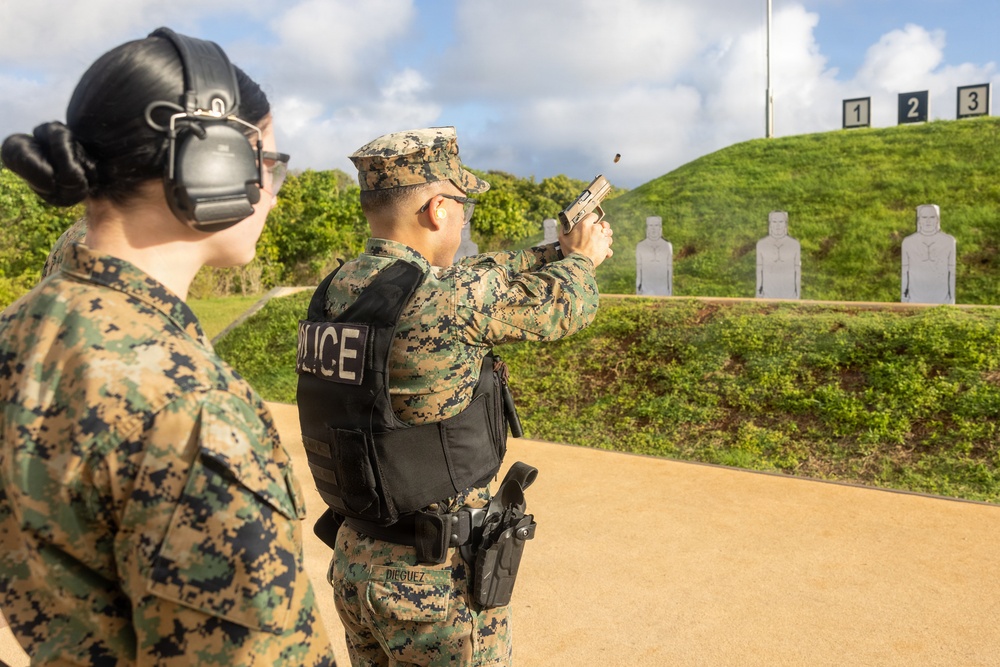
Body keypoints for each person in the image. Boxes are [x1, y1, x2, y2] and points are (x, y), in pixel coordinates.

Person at [0, 28, 336, 666]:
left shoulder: (23, 330)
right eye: (266, 161)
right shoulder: (187, 407)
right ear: (213, 159)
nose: (273, 188)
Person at [295, 126, 613, 666]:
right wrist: (580, 260)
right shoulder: (448, 299)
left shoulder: (340, 288)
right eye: (461, 205)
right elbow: (567, 306)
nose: (464, 219)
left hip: (355, 560)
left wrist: (551, 250)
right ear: (437, 209)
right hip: (433, 584)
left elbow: (474, 275)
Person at [901, 204, 956, 304]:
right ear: (919, 220)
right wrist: (904, 298)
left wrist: (951, 299)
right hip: (914, 299)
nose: (928, 221)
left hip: (942, 300)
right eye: (924, 217)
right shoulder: (908, 242)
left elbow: (951, 273)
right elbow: (905, 272)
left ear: (937, 220)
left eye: (932, 217)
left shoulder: (948, 241)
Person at [756, 210, 801, 299]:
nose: (777, 225)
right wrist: (758, 292)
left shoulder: (794, 244)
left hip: (789, 293)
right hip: (768, 293)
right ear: (770, 224)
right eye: (774, 221)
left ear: (785, 224)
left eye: (781, 222)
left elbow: (797, 271)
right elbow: (759, 270)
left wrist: (797, 293)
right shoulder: (761, 244)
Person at [635, 215, 673, 296]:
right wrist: (638, 288)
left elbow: (669, 271)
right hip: (645, 291)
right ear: (647, 228)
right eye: (651, 225)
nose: (653, 228)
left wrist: (670, 291)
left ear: (660, 228)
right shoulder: (640, 246)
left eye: (656, 225)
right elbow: (639, 270)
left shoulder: (667, 246)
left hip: (663, 291)